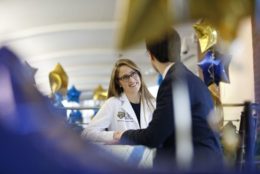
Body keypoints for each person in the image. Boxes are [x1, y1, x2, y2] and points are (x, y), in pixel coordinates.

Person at [114, 29, 223, 171]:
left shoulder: (172, 82)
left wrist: (123, 135)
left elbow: (154, 136)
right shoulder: (192, 79)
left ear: (151, 55)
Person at [81, 58, 155, 144]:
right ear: (119, 83)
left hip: (149, 155)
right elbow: (87, 133)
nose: (131, 80)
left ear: (139, 74)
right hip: (124, 155)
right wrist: (115, 135)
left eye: (133, 73)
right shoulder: (112, 104)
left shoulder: (153, 103)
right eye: (125, 77)